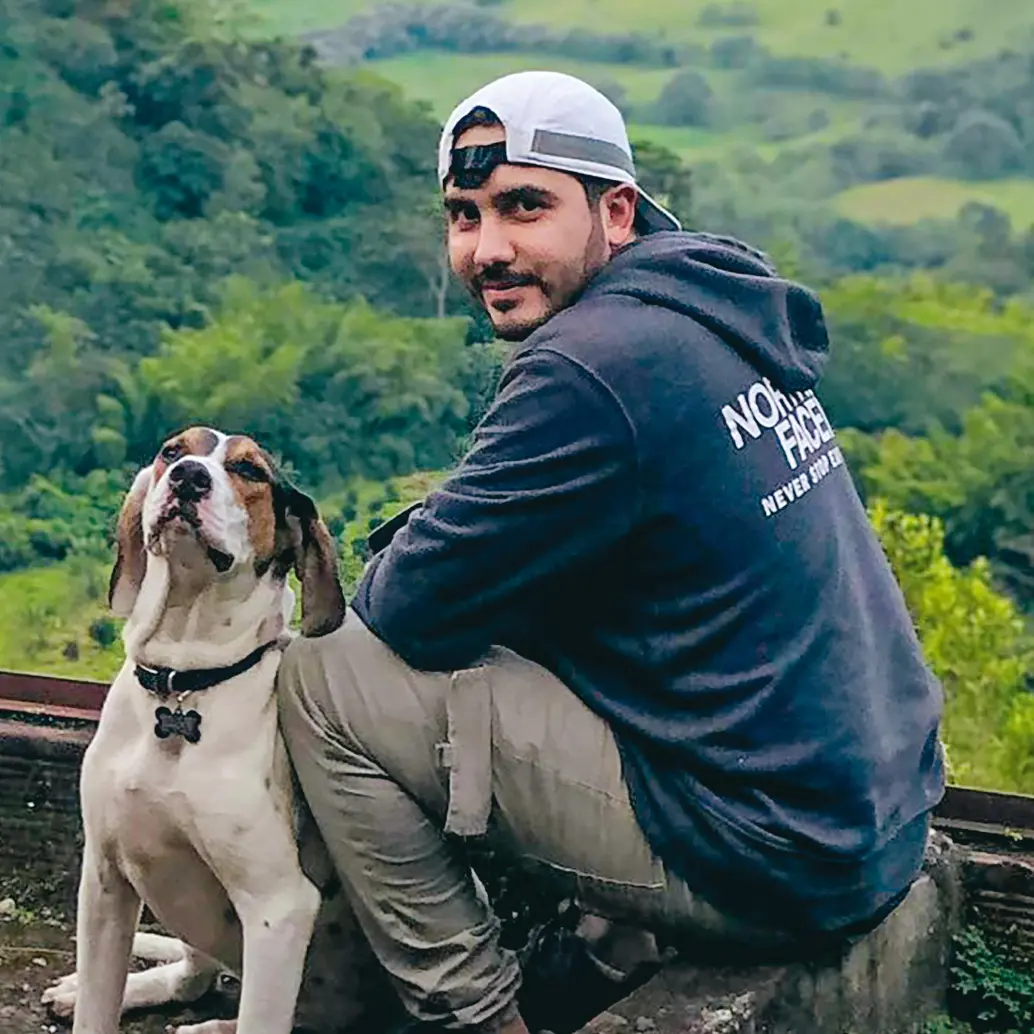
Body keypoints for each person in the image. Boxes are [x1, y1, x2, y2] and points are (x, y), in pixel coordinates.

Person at [276, 70, 945, 1034]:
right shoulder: (709, 302)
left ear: (615, 210)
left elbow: (406, 608)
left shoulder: (592, 367)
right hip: (869, 813)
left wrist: (427, 533)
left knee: (326, 671)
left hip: (775, 859)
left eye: (525, 207)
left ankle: (472, 1013)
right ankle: (606, 948)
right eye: (464, 215)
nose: (489, 249)